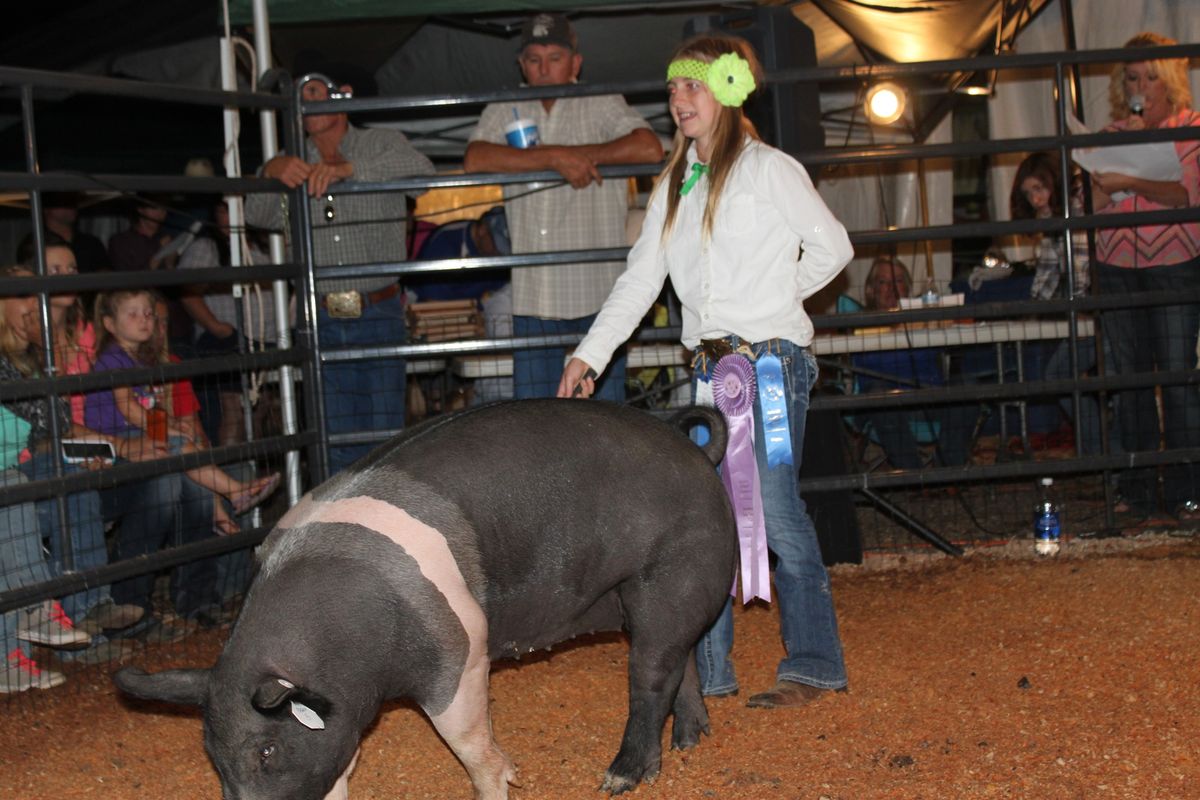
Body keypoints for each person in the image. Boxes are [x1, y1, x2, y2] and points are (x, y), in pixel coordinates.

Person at [558, 35, 852, 707]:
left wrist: (775, 306)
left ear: (726, 89)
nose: (678, 100)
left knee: (774, 512)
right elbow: (639, 283)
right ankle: (710, 675)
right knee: (706, 518)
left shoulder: (769, 169)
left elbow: (833, 247)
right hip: (708, 374)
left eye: (692, 86)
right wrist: (590, 354)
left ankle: (813, 663)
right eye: (672, 88)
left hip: (769, 367)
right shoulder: (673, 186)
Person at [464, 12, 664, 401]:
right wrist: (556, 158)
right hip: (534, 294)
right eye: (534, 58)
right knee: (539, 423)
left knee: (603, 424)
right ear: (522, 64)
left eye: (554, 57)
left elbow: (649, 147)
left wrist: (574, 156)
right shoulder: (504, 106)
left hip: (599, 293)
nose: (543, 68)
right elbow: (475, 159)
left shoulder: (601, 101)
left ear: (576, 62)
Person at [244, 72, 436, 474]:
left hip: (378, 310)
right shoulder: (291, 161)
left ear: (341, 95)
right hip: (321, 316)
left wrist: (349, 169)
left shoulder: (380, 142)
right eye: (298, 96)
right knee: (332, 439)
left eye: (312, 91)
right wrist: (269, 174)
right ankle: (341, 532)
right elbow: (255, 216)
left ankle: (381, 530)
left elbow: (422, 174)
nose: (305, 102)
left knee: (385, 438)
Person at [1088, 31, 1200, 521]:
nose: (1142, 85)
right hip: (1116, 266)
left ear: (1170, 79)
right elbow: (1088, 206)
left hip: (1174, 264)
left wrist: (1131, 180)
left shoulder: (1192, 128)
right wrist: (1102, 182)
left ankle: (1186, 489)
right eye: (1133, 76)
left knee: (1176, 379)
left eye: (1152, 76)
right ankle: (1132, 489)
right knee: (1129, 381)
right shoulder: (1109, 136)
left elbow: (1186, 196)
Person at [0, 265, 146, 641]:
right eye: (23, 296)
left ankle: (89, 612)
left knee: (76, 482)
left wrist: (77, 451)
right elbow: (46, 417)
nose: (35, 304)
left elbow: (55, 425)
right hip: (12, 485)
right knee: (69, 486)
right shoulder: (7, 362)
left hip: (26, 475)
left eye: (37, 295)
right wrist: (44, 346)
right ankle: (85, 609)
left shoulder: (26, 361)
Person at [85, 288, 279, 526]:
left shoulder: (138, 360)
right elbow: (130, 411)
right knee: (179, 443)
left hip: (134, 433)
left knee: (185, 441)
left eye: (148, 313)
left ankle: (223, 508)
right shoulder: (113, 358)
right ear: (110, 324)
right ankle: (234, 492)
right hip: (115, 440)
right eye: (133, 314)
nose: (144, 319)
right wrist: (170, 429)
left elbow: (145, 408)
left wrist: (172, 424)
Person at [1010, 152, 1118, 459]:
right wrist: (1030, 310)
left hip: (1098, 309)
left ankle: (1104, 454)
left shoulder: (1074, 209)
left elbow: (1074, 265)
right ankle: (1106, 455)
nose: (1035, 198)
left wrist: (1029, 311)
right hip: (1095, 310)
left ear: (1053, 183)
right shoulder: (1058, 217)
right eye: (1029, 193)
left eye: (1038, 188)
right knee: (1105, 383)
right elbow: (1048, 272)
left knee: (1065, 377)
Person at [851, 255, 977, 470]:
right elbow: (872, 365)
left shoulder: (923, 317)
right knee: (881, 395)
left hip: (928, 397)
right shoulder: (861, 323)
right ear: (871, 290)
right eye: (883, 282)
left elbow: (953, 335)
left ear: (908, 288)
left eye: (898, 281)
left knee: (967, 386)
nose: (892, 288)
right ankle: (914, 475)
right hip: (886, 403)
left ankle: (947, 470)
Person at [179, 198, 281, 446]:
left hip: (265, 340)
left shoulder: (264, 247)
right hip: (228, 341)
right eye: (222, 209)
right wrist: (217, 328)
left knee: (259, 411)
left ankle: (251, 477)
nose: (229, 216)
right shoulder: (207, 247)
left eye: (235, 208)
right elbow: (186, 290)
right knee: (233, 411)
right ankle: (234, 476)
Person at [42, 192, 110, 275]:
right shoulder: (36, 244)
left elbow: (105, 278)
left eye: (72, 200)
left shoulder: (91, 242)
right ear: (45, 209)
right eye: (61, 200)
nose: (70, 204)